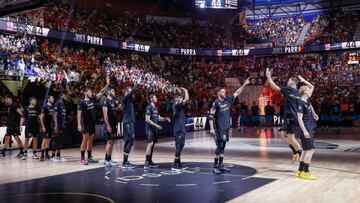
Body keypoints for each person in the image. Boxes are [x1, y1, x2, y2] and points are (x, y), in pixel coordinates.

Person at [209, 78, 250, 174]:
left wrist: (244, 84)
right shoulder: (216, 103)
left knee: (223, 146)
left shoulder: (227, 100)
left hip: (226, 128)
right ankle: (215, 166)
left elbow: (237, 93)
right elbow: (211, 116)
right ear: (218, 93)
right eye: (223, 92)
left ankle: (221, 165)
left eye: (225, 92)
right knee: (219, 147)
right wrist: (211, 128)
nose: (225, 93)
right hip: (219, 129)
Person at [266, 68, 302, 161]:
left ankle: (301, 156)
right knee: (282, 135)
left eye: (289, 80)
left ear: (293, 83)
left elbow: (274, 87)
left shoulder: (289, 89)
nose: (287, 82)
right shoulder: (298, 93)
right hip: (290, 117)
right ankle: (295, 152)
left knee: (291, 138)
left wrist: (268, 77)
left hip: (292, 117)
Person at [77, 77, 109, 165]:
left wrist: (107, 84)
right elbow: (79, 115)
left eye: (91, 92)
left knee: (90, 141)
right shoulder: (82, 102)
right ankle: (82, 158)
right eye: (90, 92)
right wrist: (79, 125)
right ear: (85, 93)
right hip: (85, 124)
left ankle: (90, 157)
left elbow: (101, 93)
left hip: (92, 123)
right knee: (84, 140)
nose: (91, 93)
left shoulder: (92, 99)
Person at [296, 78, 318, 180]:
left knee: (305, 150)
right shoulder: (300, 102)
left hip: (309, 127)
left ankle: (300, 171)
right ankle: (306, 172)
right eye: (308, 91)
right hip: (306, 128)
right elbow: (299, 118)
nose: (310, 91)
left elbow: (312, 86)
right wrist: (304, 131)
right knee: (311, 150)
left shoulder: (306, 101)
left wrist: (314, 114)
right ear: (304, 92)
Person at [144, 94, 171, 170]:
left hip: (154, 129)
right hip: (150, 129)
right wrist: (156, 126)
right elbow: (147, 119)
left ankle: (150, 161)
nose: (156, 98)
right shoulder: (149, 107)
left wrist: (165, 118)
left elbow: (159, 118)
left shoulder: (156, 108)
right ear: (151, 99)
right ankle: (146, 162)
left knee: (152, 145)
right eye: (155, 97)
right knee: (150, 144)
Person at [120, 84, 138, 169]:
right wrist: (136, 85)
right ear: (127, 92)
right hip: (128, 123)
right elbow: (131, 93)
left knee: (128, 141)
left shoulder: (128, 100)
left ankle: (125, 161)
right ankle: (125, 162)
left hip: (129, 122)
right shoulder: (126, 98)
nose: (132, 93)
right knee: (130, 141)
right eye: (130, 91)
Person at [171, 88, 189, 170]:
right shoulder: (176, 105)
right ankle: (175, 164)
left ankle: (178, 162)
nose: (181, 99)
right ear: (176, 100)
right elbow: (187, 99)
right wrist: (186, 91)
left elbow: (183, 100)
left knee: (180, 145)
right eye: (179, 99)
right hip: (179, 129)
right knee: (179, 146)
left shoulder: (177, 107)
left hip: (179, 128)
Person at [102, 88, 121, 167]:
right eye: (112, 91)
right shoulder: (105, 101)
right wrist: (108, 125)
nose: (114, 92)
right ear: (108, 92)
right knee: (109, 142)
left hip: (114, 124)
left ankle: (107, 159)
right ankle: (108, 160)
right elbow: (105, 114)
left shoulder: (113, 101)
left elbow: (115, 110)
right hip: (109, 124)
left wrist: (118, 108)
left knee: (112, 142)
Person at [51, 93, 67, 163]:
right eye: (64, 96)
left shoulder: (63, 105)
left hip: (62, 125)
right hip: (57, 125)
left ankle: (58, 155)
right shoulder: (57, 104)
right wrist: (56, 125)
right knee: (55, 140)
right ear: (61, 97)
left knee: (60, 140)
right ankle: (53, 156)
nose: (65, 97)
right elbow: (55, 115)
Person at [39, 95, 55, 161]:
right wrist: (43, 126)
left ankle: (46, 154)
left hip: (50, 126)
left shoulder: (53, 107)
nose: (53, 99)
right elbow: (41, 118)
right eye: (51, 98)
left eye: (53, 98)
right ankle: (42, 155)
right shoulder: (45, 107)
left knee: (48, 140)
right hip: (45, 126)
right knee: (45, 140)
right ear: (48, 99)